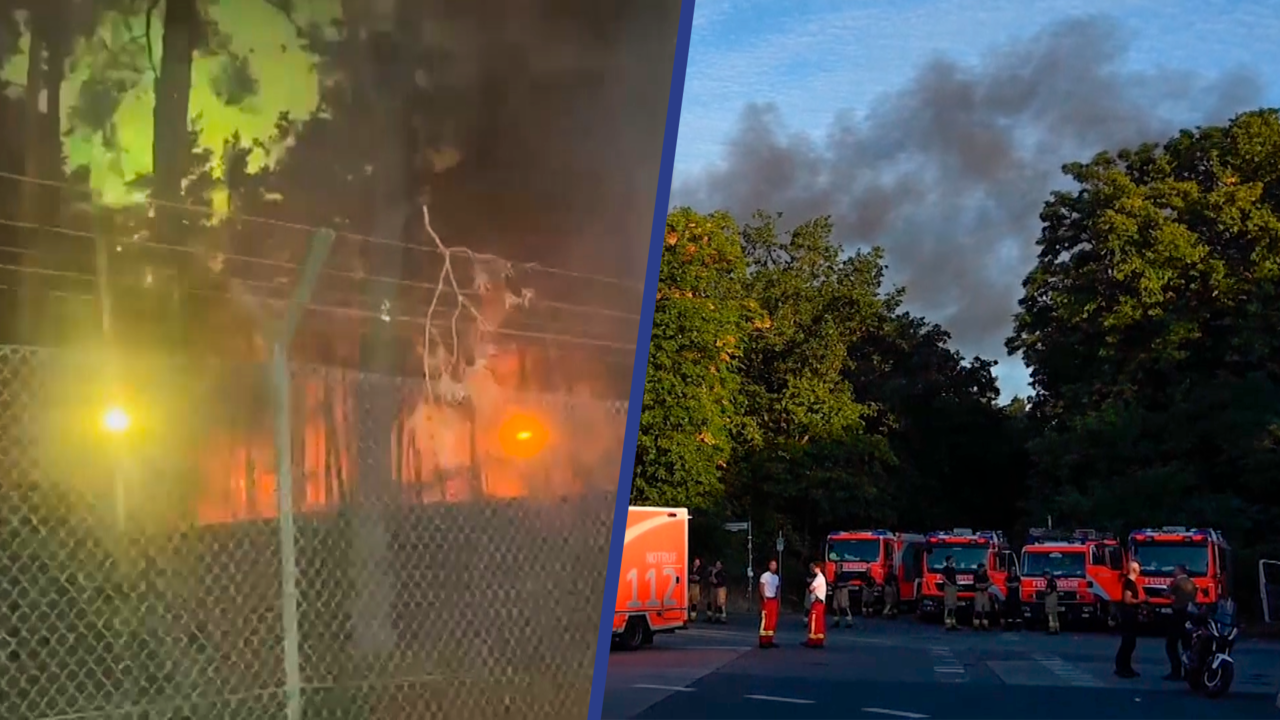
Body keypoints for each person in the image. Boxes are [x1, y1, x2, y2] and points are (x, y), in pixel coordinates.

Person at [1164, 564, 1197, 680]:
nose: (1173, 571)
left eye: (1175, 569)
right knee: (1187, 645)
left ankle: (1176, 671)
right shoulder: (1191, 583)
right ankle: (1188, 672)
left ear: (1180, 571)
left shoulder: (1177, 583)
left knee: (1171, 644)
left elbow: (1168, 594)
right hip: (1189, 615)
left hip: (1177, 614)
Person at [1115, 560, 1145, 678]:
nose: (1140, 570)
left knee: (1129, 643)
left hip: (1129, 615)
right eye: (1138, 568)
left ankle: (1125, 667)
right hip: (1128, 616)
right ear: (1134, 570)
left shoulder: (1130, 582)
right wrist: (1141, 601)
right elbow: (1127, 599)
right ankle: (1123, 668)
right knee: (1128, 643)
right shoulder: (1129, 583)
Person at [803, 560, 827, 648]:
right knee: (819, 622)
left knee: (813, 621)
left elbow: (811, 587)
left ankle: (812, 640)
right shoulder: (821, 577)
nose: (813, 569)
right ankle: (819, 641)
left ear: (818, 568)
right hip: (820, 602)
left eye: (815, 567)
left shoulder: (818, 578)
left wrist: (810, 589)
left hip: (817, 602)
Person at [758, 559, 781, 649]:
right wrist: (764, 597)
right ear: (769, 566)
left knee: (772, 621)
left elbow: (778, 589)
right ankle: (763, 641)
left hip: (773, 599)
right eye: (772, 565)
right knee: (765, 620)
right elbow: (761, 586)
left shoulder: (776, 577)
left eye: (775, 565)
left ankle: (769, 640)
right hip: (767, 599)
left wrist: (778, 600)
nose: (773, 567)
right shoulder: (764, 576)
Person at [942, 555, 959, 631]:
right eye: (952, 559)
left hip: (954, 587)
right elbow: (943, 578)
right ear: (948, 560)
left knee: (954, 604)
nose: (953, 560)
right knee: (949, 604)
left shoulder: (953, 569)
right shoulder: (945, 569)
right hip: (948, 587)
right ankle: (948, 623)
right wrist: (949, 584)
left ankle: (953, 623)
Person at [973, 562, 992, 630]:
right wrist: (985, 585)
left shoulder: (985, 575)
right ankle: (976, 624)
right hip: (978, 593)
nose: (984, 569)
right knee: (978, 609)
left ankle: (985, 624)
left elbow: (991, 582)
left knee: (986, 609)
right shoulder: (976, 575)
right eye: (983, 568)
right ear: (980, 568)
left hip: (985, 592)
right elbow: (976, 585)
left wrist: (984, 585)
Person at [1043, 570, 1060, 635]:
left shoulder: (1049, 582)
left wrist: (1042, 592)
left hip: (1050, 598)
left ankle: (1052, 629)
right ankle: (1057, 628)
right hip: (1055, 598)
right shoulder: (1054, 581)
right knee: (1055, 614)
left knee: (1050, 613)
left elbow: (1048, 591)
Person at [688, 557, 704, 623]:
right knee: (688, 600)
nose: (696, 564)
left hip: (696, 585)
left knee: (694, 601)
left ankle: (693, 616)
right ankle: (687, 615)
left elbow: (702, 577)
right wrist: (690, 577)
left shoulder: (700, 570)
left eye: (698, 562)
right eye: (695, 562)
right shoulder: (690, 568)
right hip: (690, 585)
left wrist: (697, 578)